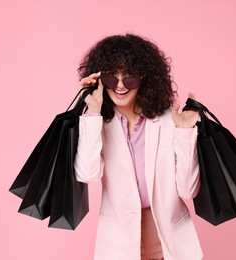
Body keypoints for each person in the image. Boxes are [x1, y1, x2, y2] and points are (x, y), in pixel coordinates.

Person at [74, 34, 203, 260]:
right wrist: (93, 113)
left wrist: (184, 133)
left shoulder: (167, 120)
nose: (120, 86)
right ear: (101, 80)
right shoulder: (98, 124)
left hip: (168, 239)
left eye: (129, 78)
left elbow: (188, 190)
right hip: (120, 242)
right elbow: (87, 173)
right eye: (111, 78)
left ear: (144, 79)